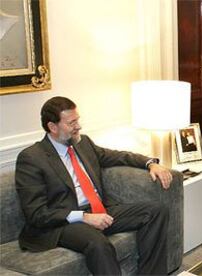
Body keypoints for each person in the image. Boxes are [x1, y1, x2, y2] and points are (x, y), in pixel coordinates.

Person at [15, 96, 173, 275]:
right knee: (98, 243)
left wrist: (150, 163)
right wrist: (83, 217)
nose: (78, 126)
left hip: (98, 210)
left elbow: (117, 156)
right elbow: (36, 214)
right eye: (71, 122)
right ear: (52, 127)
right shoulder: (32, 158)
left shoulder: (83, 143)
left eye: (78, 120)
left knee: (156, 211)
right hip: (63, 222)